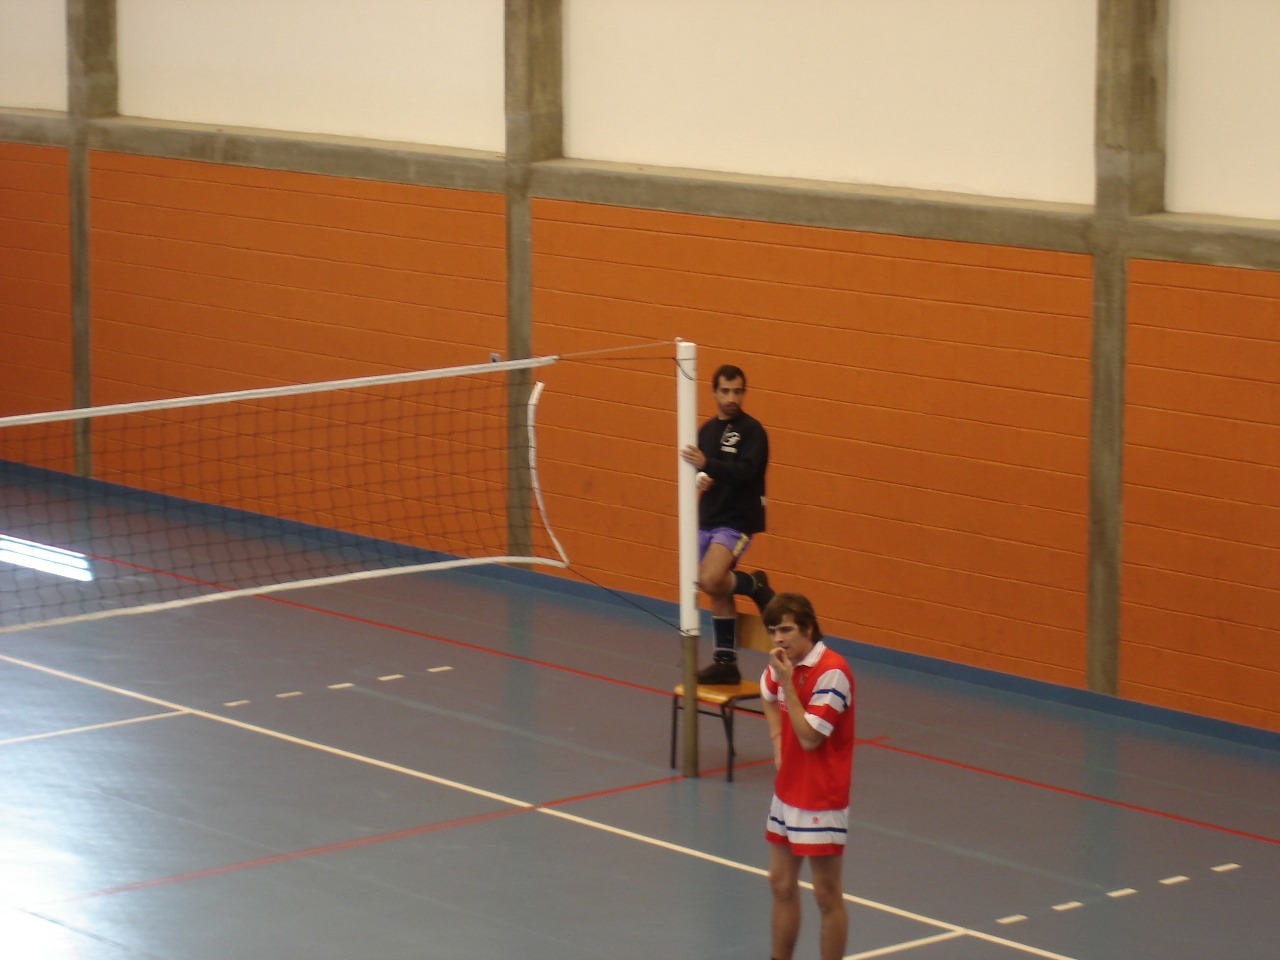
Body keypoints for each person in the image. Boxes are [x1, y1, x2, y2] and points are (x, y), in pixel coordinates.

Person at [760, 593, 855, 960]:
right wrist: (776, 740)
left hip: (820, 797)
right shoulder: (782, 664)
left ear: (809, 629)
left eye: (786, 630)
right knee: (780, 882)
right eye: (773, 631)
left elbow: (810, 738)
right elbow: (767, 694)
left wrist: (787, 683)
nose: (779, 639)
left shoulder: (832, 673)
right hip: (786, 792)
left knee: (826, 893)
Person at [679, 363, 774, 685]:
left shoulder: (752, 431)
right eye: (725, 391)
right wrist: (702, 477)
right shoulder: (706, 431)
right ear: (714, 392)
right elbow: (700, 472)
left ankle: (752, 585)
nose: (732, 398)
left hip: (736, 520)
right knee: (713, 586)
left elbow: (746, 472)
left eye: (737, 391)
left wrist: (709, 465)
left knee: (711, 577)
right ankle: (726, 662)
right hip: (708, 517)